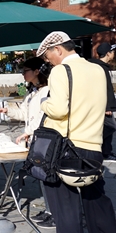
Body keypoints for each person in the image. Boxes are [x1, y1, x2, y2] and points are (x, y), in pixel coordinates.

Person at [37, 31, 116, 233]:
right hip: (94, 147)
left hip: (66, 149)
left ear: (58, 49)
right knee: (96, 201)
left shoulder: (61, 71)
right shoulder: (98, 69)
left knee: (66, 209)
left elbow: (59, 109)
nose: (48, 60)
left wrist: (44, 103)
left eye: (47, 55)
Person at [0, 57, 53, 227]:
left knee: (48, 175)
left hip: (45, 140)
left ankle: (54, 213)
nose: (22, 73)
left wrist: (28, 132)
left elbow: (44, 117)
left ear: (37, 71)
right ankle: (50, 211)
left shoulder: (48, 91)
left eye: (26, 70)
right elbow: (24, 113)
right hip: (35, 140)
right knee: (42, 175)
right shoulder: (32, 91)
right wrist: (8, 110)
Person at [88, 42, 116, 161]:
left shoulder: (96, 66)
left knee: (104, 128)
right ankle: (101, 150)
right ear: (107, 54)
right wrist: (107, 107)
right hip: (103, 105)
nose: (114, 54)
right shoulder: (101, 68)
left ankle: (103, 151)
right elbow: (105, 88)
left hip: (98, 105)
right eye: (112, 52)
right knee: (110, 127)